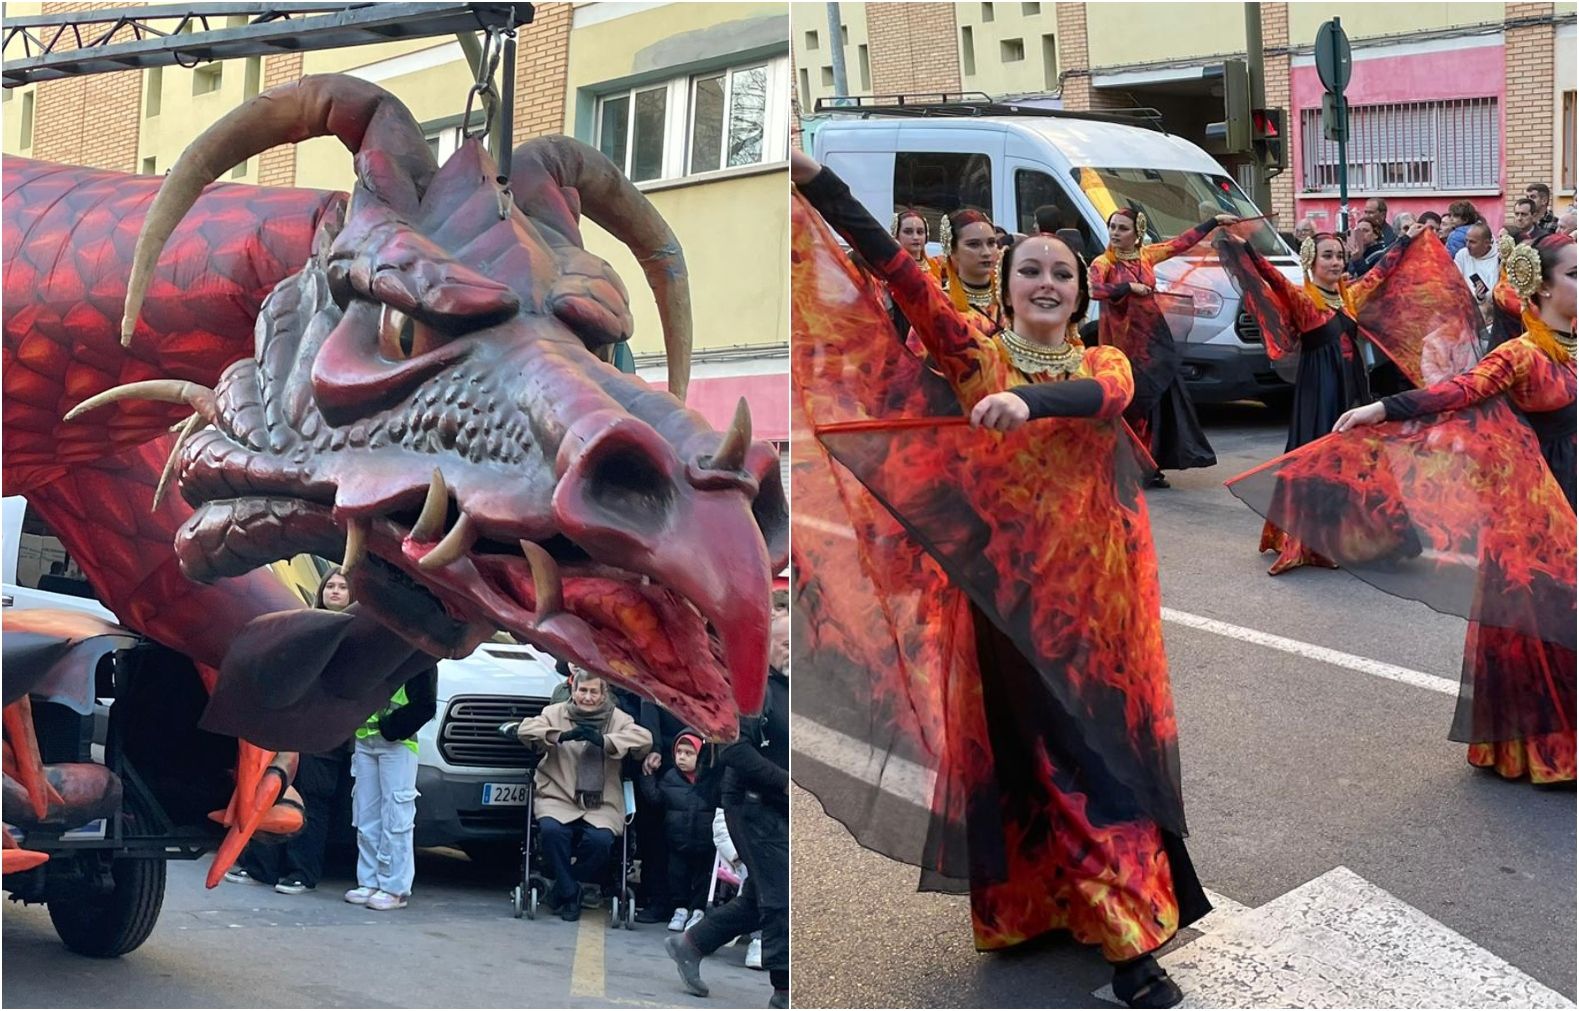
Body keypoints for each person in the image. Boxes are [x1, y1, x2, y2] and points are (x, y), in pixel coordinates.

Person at [788, 148, 1206, 1008]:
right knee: (1071, 762)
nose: (1047, 281)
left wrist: (1028, 403)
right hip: (1013, 610)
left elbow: (1103, 404)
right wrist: (813, 181)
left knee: (1087, 759)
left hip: (1102, 609)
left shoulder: (1102, 365)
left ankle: (1044, 906)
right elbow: (899, 274)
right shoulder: (976, 357)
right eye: (1030, 271)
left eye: (1061, 271)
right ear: (1006, 287)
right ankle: (1130, 950)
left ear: (1080, 292)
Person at [1312, 234, 1576, 783]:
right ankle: (1537, 746)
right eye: (1575, 273)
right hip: (1534, 501)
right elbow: (1456, 392)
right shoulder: (1520, 354)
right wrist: (1382, 407)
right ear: (1543, 286)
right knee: (1544, 621)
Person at [1214, 220, 1428, 574]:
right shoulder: (1303, 299)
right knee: (1321, 463)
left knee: (1363, 462)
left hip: (1353, 390)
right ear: (1311, 260)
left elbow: (1380, 272)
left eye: (1341, 256)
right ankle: (1315, 542)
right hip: (1322, 392)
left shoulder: (1349, 296)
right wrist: (1243, 247)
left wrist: (1406, 239)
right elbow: (1271, 277)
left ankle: (1372, 538)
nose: (1336, 262)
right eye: (1327, 256)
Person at [668, 610, 790, 1009]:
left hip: (780, 805)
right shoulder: (750, 689)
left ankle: (691, 943)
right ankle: (785, 992)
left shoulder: (794, 684)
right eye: (786, 645)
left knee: (759, 899)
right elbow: (735, 750)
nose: (793, 652)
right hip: (752, 808)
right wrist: (785, 782)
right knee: (781, 898)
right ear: (766, 647)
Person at [226, 569, 354, 895]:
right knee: (273, 792)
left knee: (312, 804)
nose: (335, 592)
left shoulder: (356, 637)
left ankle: (301, 872)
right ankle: (261, 866)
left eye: (342, 587)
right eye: (331, 586)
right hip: (291, 729)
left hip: (324, 737)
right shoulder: (308, 624)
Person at [1088, 205, 1234, 484]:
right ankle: (1126, 465)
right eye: (1113, 227)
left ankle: (1150, 464)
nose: (1115, 233)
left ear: (1138, 232)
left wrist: (1213, 222)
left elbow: (1181, 243)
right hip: (1122, 345)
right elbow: (1094, 290)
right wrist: (1127, 288)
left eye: (1122, 228)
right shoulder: (1103, 263)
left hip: (1153, 339)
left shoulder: (1146, 256)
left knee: (1156, 401)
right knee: (1131, 403)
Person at [516, 668, 652, 921]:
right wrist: (560, 736)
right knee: (552, 832)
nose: (588, 697)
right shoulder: (555, 713)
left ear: (603, 694)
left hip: (601, 802)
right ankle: (571, 892)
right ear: (574, 691)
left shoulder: (617, 717)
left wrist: (606, 741)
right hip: (558, 795)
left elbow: (643, 739)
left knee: (600, 841)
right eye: (583, 691)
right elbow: (525, 729)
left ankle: (566, 888)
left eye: (593, 692)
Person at [345, 659, 437, 911]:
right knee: (365, 815)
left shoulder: (420, 657)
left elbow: (425, 705)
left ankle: (395, 888)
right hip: (365, 740)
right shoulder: (374, 650)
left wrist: (391, 728)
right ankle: (369, 881)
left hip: (398, 744)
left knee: (397, 816)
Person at [638, 730, 716, 932]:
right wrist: (647, 777)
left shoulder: (712, 779)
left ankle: (698, 910)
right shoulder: (671, 777)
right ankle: (679, 909)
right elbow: (656, 799)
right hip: (676, 839)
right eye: (679, 752)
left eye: (688, 753)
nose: (681, 757)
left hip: (706, 841)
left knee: (702, 878)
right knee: (677, 876)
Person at [1454, 222, 1500, 327]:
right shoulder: (1462, 255)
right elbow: (1454, 284)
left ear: (1487, 243)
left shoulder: (1498, 259)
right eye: (1466, 240)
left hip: (1488, 317)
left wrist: (1481, 298)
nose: (1467, 245)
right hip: (1463, 311)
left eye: (1473, 242)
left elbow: (1495, 295)